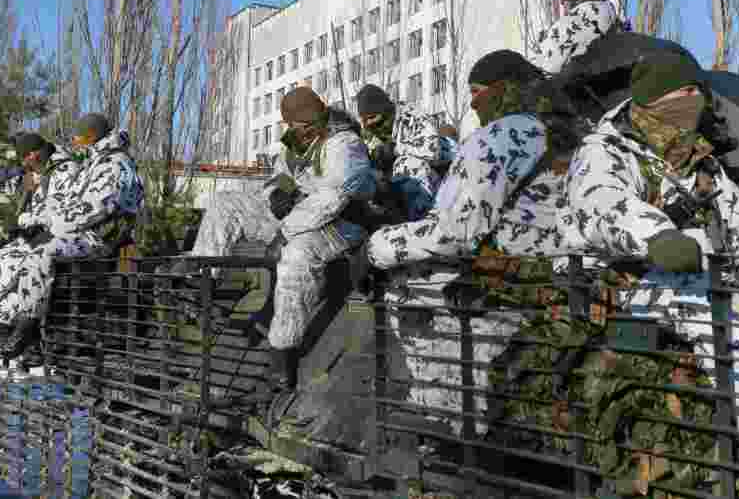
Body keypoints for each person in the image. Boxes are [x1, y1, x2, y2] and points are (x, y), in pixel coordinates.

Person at [559, 49, 739, 478]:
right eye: (683, 94)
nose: (693, 102)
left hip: (702, 273)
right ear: (656, 99)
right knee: (717, 299)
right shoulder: (603, 150)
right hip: (625, 284)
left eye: (695, 94)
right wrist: (658, 236)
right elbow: (602, 206)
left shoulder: (702, 163)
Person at [366, 50, 585, 433]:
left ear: (501, 89)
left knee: (404, 283)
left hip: (510, 279)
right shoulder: (573, 130)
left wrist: (376, 247)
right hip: (562, 275)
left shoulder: (501, 135)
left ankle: (443, 410)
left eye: (477, 91)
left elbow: (455, 231)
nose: (472, 102)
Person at [185, 87, 376, 391]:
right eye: (291, 126)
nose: (295, 131)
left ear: (317, 119)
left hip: (341, 223)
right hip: (298, 213)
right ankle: (201, 287)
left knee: (297, 256)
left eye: (300, 126)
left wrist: (284, 234)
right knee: (225, 203)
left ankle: (282, 353)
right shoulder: (297, 142)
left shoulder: (345, 144)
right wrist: (275, 194)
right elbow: (281, 176)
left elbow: (333, 197)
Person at [0, 133, 81, 352]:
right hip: (29, 233)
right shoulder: (32, 170)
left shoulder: (65, 170)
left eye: (26, 157)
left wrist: (34, 225)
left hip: (50, 234)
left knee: (9, 262)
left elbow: (65, 211)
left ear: (35, 154)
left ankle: (6, 327)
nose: (23, 163)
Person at [355, 83, 444, 222]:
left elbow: (432, 151)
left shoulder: (412, 116)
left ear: (385, 110)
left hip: (440, 175)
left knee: (407, 164)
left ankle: (424, 222)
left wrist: (394, 150)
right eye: (364, 119)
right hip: (398, 185)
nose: (368, 124)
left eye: (372, 117)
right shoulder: (369, 132)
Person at [526, 0, 618, 76]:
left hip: (574, 85)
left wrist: (543, 44)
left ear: (575, 2)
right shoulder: (611, 17)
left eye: (566, 5)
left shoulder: (571, 23)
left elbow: (547, 66)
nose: (565, 12)